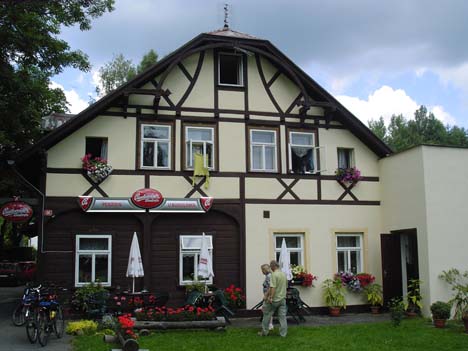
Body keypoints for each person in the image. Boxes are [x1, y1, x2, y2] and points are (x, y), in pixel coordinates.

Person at [259, 260, 288, 337]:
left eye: (270, 267)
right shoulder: (283, 274)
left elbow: (272, 287)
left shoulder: (274, 275)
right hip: (282, 299)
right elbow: (286, 286)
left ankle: (264, 332)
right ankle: (283, 334)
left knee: (266, 314)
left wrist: (270, 297)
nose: (270, 268)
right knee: (282, 317)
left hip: (274, 299)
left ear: (273, 266)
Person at [260, 264, 274, 330]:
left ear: (265, 270)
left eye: (262, 270)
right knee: (268, 310)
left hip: (268, 296)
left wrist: (267, 296)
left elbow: (270, 287)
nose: (261, 271)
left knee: (266, 310)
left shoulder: (269, 276)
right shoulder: (269, 275)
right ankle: (269, 324)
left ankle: (269, 325)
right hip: (268, 295)